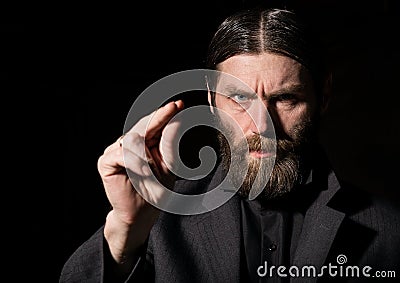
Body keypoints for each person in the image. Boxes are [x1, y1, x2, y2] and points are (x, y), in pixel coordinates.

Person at [59, 7, 400, 283]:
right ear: (211, 100)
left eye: (285, 98)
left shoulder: (391, 231)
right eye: (238, 98)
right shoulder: (156, 219)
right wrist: (124, 230)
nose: (262, 125)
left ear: (322, 96)